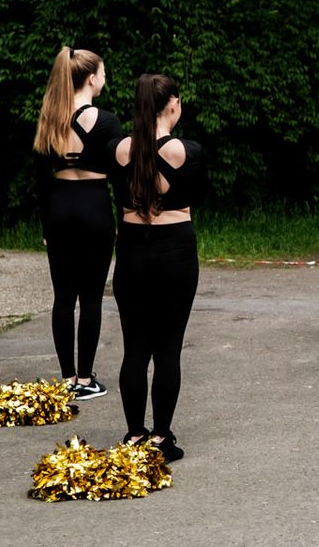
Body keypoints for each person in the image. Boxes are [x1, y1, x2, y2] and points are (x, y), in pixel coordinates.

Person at [106, 74, 206, 462]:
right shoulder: (188, 151)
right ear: (173, 104)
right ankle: (161, 436)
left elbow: (120, 190)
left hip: (132, 250)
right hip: (175, 250)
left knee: (135, 348)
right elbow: (198, 195)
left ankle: (135, 434)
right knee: (168, 348)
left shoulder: (118, 149)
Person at [32, 46, 120, 401]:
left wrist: (46, 227)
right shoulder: (108, 122)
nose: (105, 78)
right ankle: (85, 379)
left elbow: (41, 181)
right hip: (94, 207)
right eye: (103, 73)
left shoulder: (50, 119)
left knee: (64, 297)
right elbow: (120, 174)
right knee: (92, 297)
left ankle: (67, 377)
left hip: (60, 207)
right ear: (91, 78)